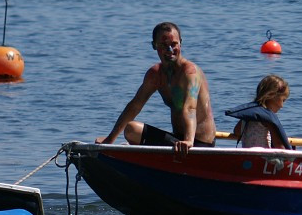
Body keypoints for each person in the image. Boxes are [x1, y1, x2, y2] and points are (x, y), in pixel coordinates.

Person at [97, 21, 216, 157]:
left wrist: (188, 141)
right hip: (176, 141)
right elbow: (135, 106)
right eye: (164, 45)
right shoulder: (155, 75)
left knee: (133, 129)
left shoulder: (190, 73)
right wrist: (109, 140)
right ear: (154, 46)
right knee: (131, 130)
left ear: (180, 43)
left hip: (199, 145)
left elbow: (189, 108)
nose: (170, 50)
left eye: (173, 44)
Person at [227, 75, 292, 149]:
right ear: (272, 96)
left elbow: (237, 132)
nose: (282, 106)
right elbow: (278, 144)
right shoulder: (267, 118)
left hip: (247, 157)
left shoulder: (249, 115)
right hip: (263, 157)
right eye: (283, 100)